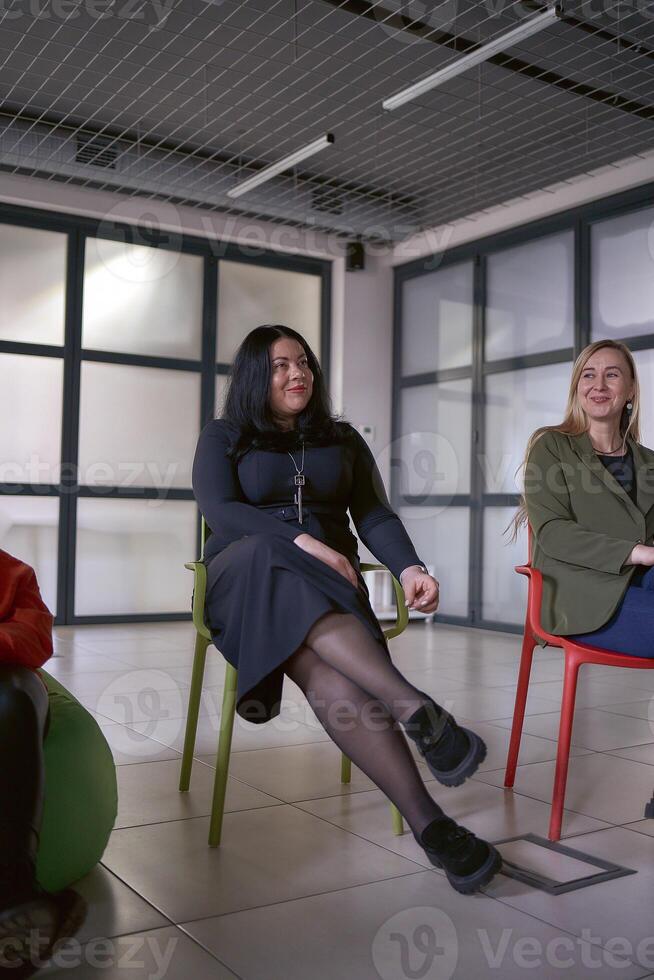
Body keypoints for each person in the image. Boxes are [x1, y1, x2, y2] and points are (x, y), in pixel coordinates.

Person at [192, 324, 501, 895]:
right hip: (243, 581)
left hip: (324, 595)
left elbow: (374, 514)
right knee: (267, 551)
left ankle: (432, 827)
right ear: (257, 375)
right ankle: (416, 709)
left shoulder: (341, 438)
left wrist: (411, 568)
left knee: (325, 672)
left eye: (304, 362)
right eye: (282, 364)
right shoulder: (226, 434)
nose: (298, 373)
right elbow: (218, 507)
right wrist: (304, 542)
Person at [515, 339, 654, 653]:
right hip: (580, 596)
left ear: (631, 389)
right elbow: (553, 532)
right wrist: (639, 552)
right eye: (589, 375)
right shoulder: (550, 446)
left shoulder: (650, 462)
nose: (599, 385)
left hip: (641, 581)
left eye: (613, 375)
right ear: (577, 387)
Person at [0, 550, 86, 977]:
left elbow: (34, 638)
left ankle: (15, 888)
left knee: (13, 700)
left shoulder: (13, 572)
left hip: (6, 681)